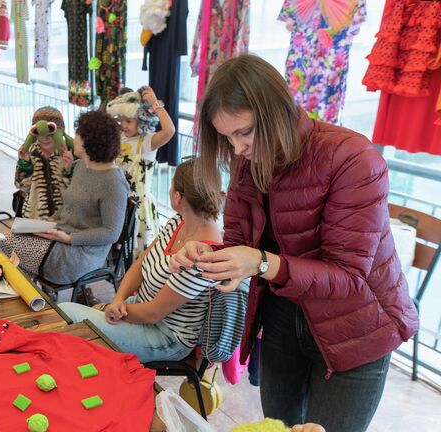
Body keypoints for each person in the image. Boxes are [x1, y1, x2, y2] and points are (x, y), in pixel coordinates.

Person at [171, 55, 418, 432]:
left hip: (357, 326)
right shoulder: (246, 162)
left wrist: (259, 262)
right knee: (279, 426)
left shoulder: (352, 158)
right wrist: (209, 254)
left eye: (245, 133)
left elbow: (350, 276)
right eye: (226, 137)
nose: (236, 150)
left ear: (277, 112)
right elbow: (241, 243)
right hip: (283, 317)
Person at [59, 159, 222, 363]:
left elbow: (154, 313)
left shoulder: (203, 255)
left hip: (165, 337)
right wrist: (118, 300)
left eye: (171, 185)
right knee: (73, 319)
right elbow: (141, 264)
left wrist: (110, 310)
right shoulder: (179, 221)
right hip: (140, 309)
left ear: (178, 197)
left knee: (67, 315)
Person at [0, 110, 129, 285]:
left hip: (78, 255)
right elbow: (70, 201)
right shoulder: (82, 166)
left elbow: (111, 233)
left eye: (78, 134)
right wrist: (50, 222)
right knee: (7, 238)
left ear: (88, 142)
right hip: (61, 236)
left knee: (2, 248)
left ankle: (33, 296)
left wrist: (68, 238)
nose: (73, 137)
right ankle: (32, 294)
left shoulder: (114, 183)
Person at [106, 86, 175, 257]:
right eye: (121, 120)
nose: (124, 125)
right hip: (118, 202)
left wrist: (155, 104)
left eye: (129, 121)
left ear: (142, 119)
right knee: (119, 252)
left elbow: (170, 131)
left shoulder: (147, 142)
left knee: (139, 252)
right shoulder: (120, 139)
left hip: (139, 207)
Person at [14, 106, 74, 220]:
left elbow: (75, 191)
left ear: (60, 131)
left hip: (64, 218)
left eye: (50, 132)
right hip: (34, 217)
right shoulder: (30, 153)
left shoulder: (68, 154)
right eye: (39, 133)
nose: (45, 138)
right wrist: (24, 165)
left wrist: (68, 170)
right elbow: (21, 186)